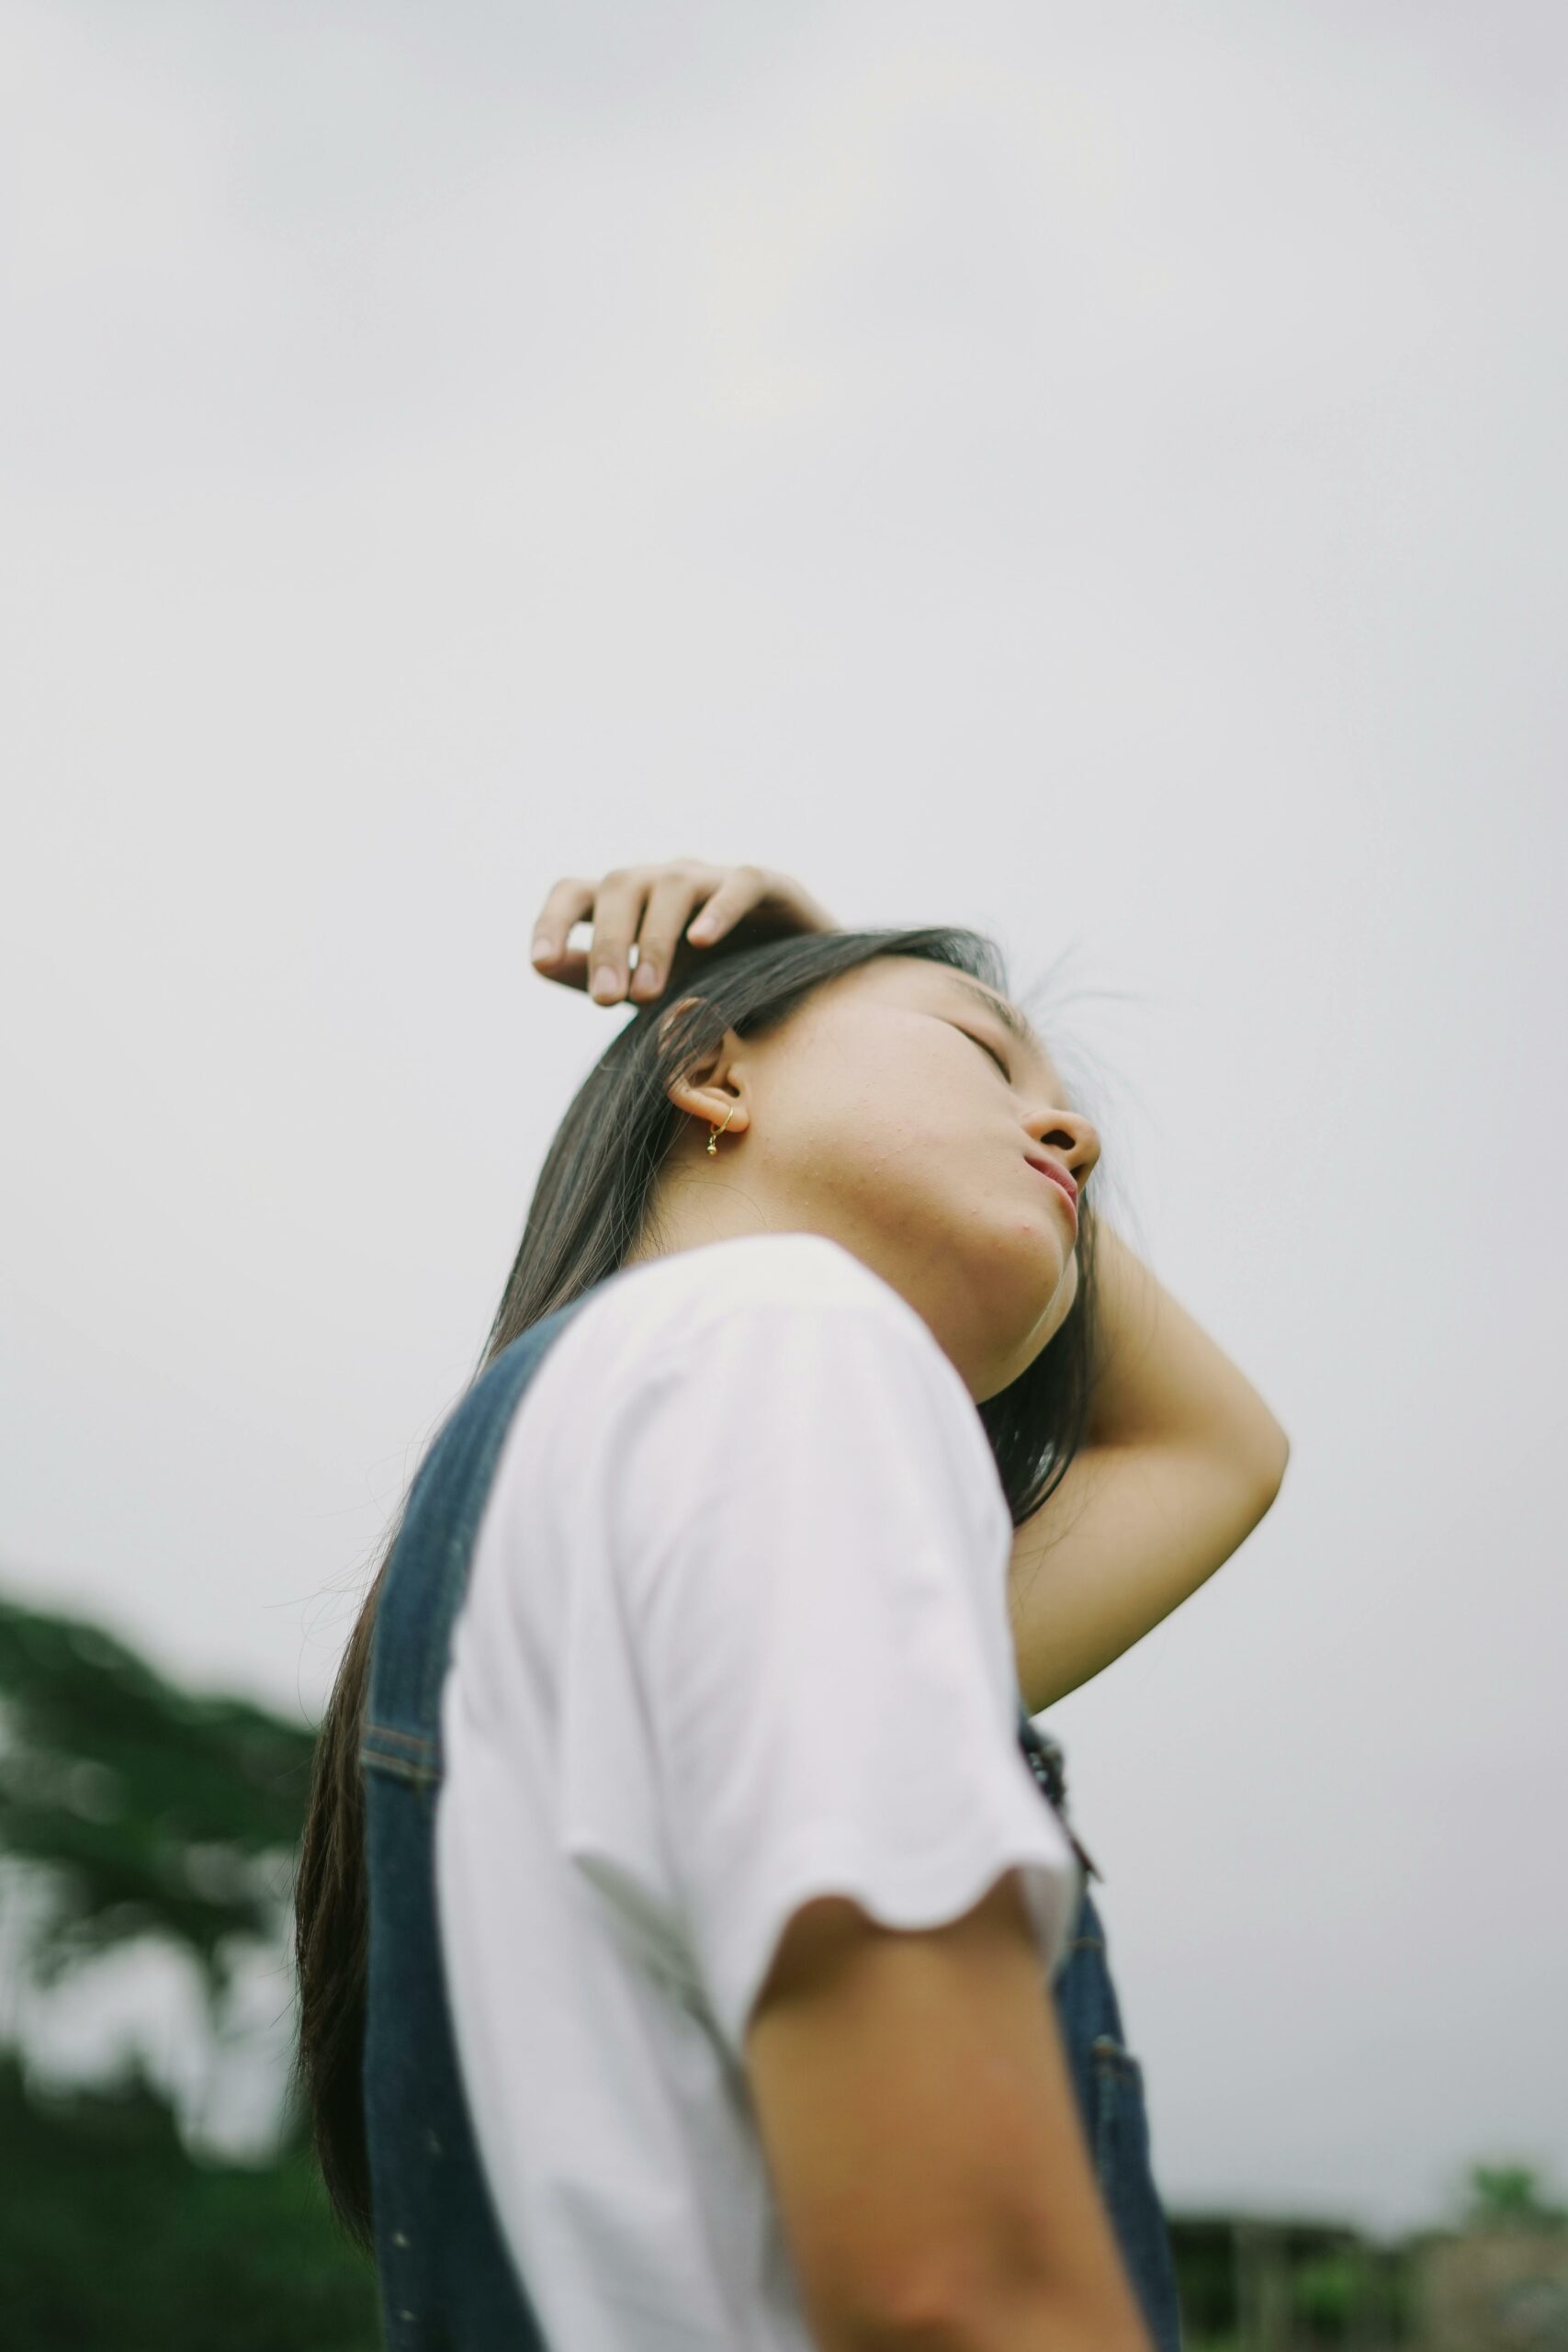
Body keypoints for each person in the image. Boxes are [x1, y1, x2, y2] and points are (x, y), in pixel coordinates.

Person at [292, 858, 1290, 2351]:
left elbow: (1217, 1454)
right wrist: (817, 983)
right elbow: (957, 2287)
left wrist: (833, 993)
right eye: (980, 1049)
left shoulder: (597, 1481)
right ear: (711, 1074)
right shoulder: (787, 1338)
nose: (1072, 1130)